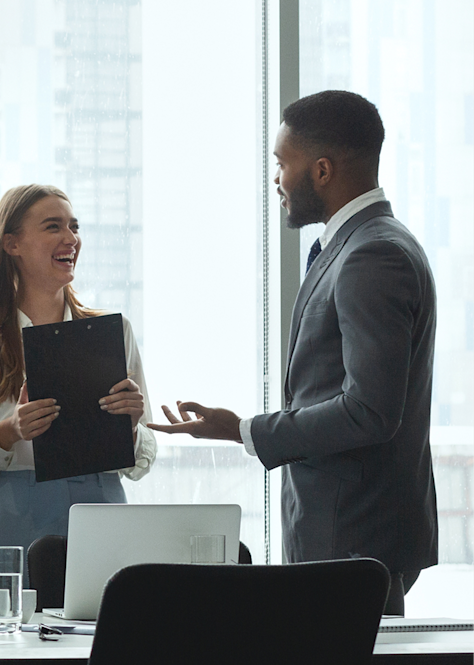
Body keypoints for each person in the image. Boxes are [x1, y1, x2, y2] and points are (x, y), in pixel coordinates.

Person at [150, 90, 437, 615]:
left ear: (322, 169)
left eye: (283, 163)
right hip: (348, 536)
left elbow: (369, 411)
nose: (276, 179)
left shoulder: (371, 254)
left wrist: (247, 430)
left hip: (352, 540)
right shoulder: (363, 243)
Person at [0, 184, 157, 563]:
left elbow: (145, 452)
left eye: (74, 226)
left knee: (110, 619)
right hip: (16, 517)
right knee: (13, 621)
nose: (71, 238)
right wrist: (6, 431)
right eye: (53, 226)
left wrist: (131, 428)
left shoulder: (114, 332)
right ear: (11, 244)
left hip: (104, 513)